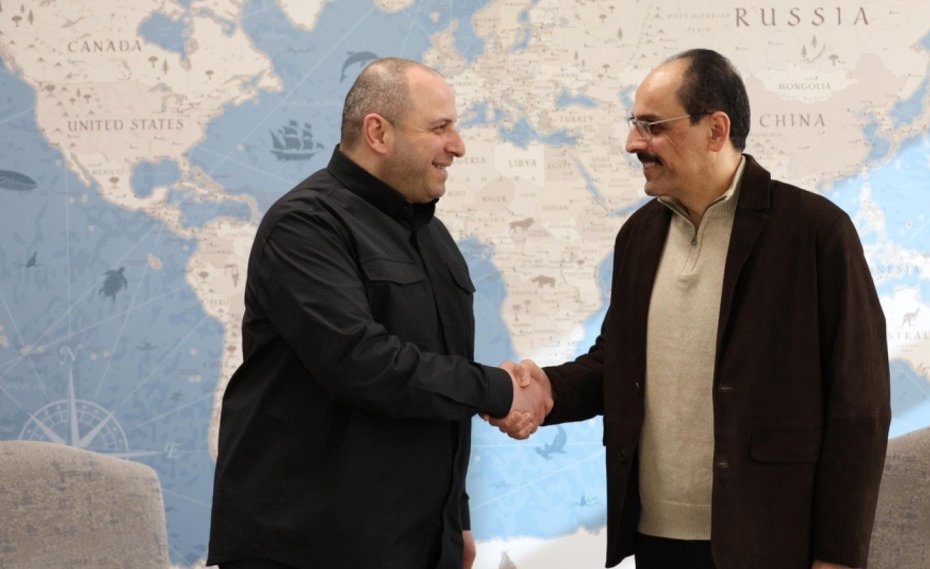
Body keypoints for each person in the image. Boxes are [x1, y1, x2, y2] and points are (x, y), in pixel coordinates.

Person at [491, 49, 891, 568]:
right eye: (635, 125)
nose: (634, 143)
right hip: (656, 542)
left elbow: (860, 407)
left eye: (653, 126)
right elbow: (617, 364)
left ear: (716, 130)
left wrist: (838, 556)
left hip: (771, 542)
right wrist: (544, 391)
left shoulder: (816, 233)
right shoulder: (638, 236)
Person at [208, 58, 551, 569]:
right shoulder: (304, 226)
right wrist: (500, 390)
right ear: (378, 132)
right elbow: (361, 362)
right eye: (441, 128)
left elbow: (438, 385)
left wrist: (454, 521)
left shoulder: (433, 237)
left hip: (413, 543)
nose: (458, 146)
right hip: (310, 547)